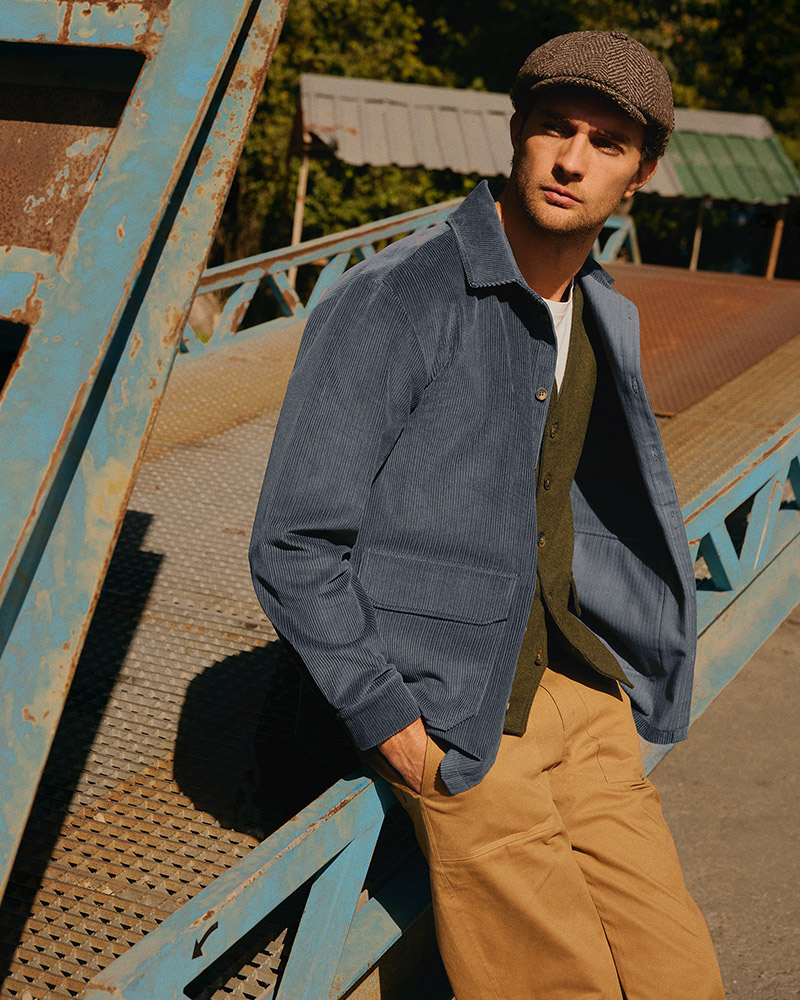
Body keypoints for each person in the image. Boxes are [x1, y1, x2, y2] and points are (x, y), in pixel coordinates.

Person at [250, 30, 725, 1000]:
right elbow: (292, 543)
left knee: (679, 974)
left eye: (605, 143)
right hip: (446, 706)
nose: (571, 160)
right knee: (558, 984)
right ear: (516, 136)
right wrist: (391, 721)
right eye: (554, 128)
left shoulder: (603, 311)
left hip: (570, 683)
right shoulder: (397, 299)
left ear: (639, 173)